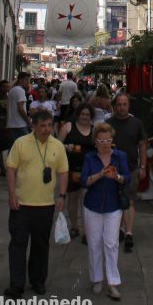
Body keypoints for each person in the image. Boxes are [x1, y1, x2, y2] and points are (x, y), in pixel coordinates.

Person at [4, 109, 69, 299]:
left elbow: (63, 171)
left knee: (41, 246)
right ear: (33, 126)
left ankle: (38, 280)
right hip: (21, 204)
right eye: (43, 126)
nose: (47, 129)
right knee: (18, 244)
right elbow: (10, 169)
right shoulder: (21, 143)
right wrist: (11, 195)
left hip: (45, 205)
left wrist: (62, 196)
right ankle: (16, 284)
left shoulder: (57, 145)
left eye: (49, 125)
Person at [80, 122, 130, 300]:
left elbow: (127, 179)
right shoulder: (89, 158)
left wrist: (116, 177)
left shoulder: (120, 156)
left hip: (113, 205)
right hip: (92, 205)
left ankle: (112, 282)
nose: (105, 144)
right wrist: (100, 174)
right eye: (101, 141)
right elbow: (84, 181)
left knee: (111, 243)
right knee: (94, 243)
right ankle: (96, 279)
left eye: (108, 140)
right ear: (95, 141)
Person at [108, 94, 146, 252]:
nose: (121, 107)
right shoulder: (108, 123)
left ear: (128, 106)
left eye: (124, 104)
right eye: (119, 104)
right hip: (111, 169)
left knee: (129, 201)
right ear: (114, 106)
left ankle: (128, 232)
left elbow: (142, 144)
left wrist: (143, 166)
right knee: (116, 201)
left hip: (131, 168)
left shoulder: (136, 123)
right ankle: (120, 229)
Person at [58, 102, 95, 239]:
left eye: (88, 114)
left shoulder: (94, 130)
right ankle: (74, 226)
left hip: (89, 171)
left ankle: (86, 231)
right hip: (71, 169)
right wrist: (66, 147)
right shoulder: (68, 127)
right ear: (78, 114)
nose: (85, 117)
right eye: (82, 114)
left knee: (86, 200)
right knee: (73, 199)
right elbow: (56, 144)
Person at [6, 72, 32, 147]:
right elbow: (20, 109)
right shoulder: (20, 91)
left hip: (12, 124)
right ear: (20, 80)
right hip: (19, 124)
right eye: (26, 80)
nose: (28, 82)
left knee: (15, 148)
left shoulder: (12, 90)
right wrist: (28, 121)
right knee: (26, 146)